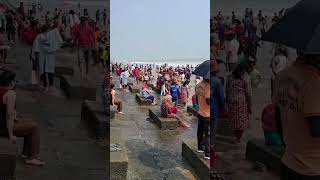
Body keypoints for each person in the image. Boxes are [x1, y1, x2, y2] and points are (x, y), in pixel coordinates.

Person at [273, 53, 320, 179]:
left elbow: (277, 117)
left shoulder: (282, 75)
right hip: (312, 167)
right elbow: (316, 129)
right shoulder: (312, 80)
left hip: (289, 160)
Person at [0, 70, 45, 165]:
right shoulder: (10, 93)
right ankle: (32, 157)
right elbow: (9, 116)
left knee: (29, 122)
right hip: (3, 127)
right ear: (11, 82)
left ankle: (26, 153)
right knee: (34, 127)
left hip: (2, 124)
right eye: (14, 81)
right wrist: (10, 134)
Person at [225, 64, 252, 143]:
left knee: (234, 120)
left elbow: (227, 89)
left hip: (231, 101)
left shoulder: (230, 77)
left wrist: (227, 99)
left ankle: (235, 136)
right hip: (241, 102)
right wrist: (250, 104)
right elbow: (248, 93)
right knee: (241, 121)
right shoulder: (245, 79)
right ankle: (238, 138)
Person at [210, 59, 225, 164]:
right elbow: (221, 97)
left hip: (204, 108)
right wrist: (223, 108)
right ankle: (211, 150)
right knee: (213, 129)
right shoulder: (217, 81)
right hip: (214, 108)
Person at [195, 77, 210, 160]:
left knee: (200, 130)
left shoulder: (198, 86)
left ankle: (200, 147)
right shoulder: (208, 86)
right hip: (208, 114)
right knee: (208, 133)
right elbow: (208, 101)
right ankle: (207, 154)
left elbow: (197, 100)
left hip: (200, 111)